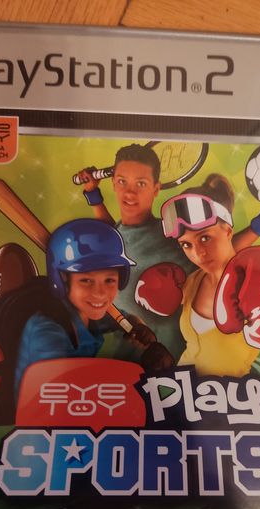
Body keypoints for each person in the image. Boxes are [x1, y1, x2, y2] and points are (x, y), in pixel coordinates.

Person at [157, 173, 260, 376]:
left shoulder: (253, 285)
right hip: (181, 388)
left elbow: (231, 260)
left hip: (232, 393)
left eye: (204, 238)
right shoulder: (193, 281)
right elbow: (226, 254)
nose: (198, 254)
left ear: (228, 231)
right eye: (186, 244)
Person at [15, 218, 171, 394]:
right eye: (86, 280)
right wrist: (139, 374)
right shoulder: (47, 330)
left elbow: (125, 319)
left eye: (109, 280)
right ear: (63, 279)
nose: (100, 293)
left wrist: (141, 330)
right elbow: (57, 392)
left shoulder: (90, 312)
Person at [75, 144, 192, 358]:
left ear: (156, 189)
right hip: (128, 367)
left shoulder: (172, 233)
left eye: (141, 183)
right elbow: (117, 235)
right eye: (122, 181)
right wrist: (92, 193)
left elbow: (218, 253)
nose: (130, 192)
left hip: (180, 365)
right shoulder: (115, 239)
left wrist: (259, 225)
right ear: (113, 183)